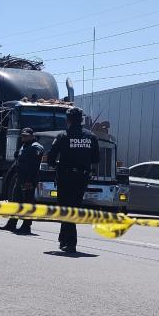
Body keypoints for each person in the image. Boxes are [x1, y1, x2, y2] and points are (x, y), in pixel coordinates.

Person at [48, 107, 100, 253]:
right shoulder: (91, 137)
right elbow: (96, 159)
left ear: (68, 120)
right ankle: (63, 239)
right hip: (82, 177)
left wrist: (55, 164)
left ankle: (71, 242)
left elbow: (51, 158)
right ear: (81, 119)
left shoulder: (62, 136)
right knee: (73, 208)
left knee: (65, 209)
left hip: (65, 177)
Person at [0, 127, 44, 235]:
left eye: (27, 135)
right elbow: (19, 161)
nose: (24, 137)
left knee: (27, 203)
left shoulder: (35, 147)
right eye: (23, 135)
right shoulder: (24, 146)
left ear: (32, 136)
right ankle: (12, 223)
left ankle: (26, 226)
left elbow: (33, 166)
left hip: (29, 179)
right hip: (20, 178)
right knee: (16, 201)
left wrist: (29, 181)